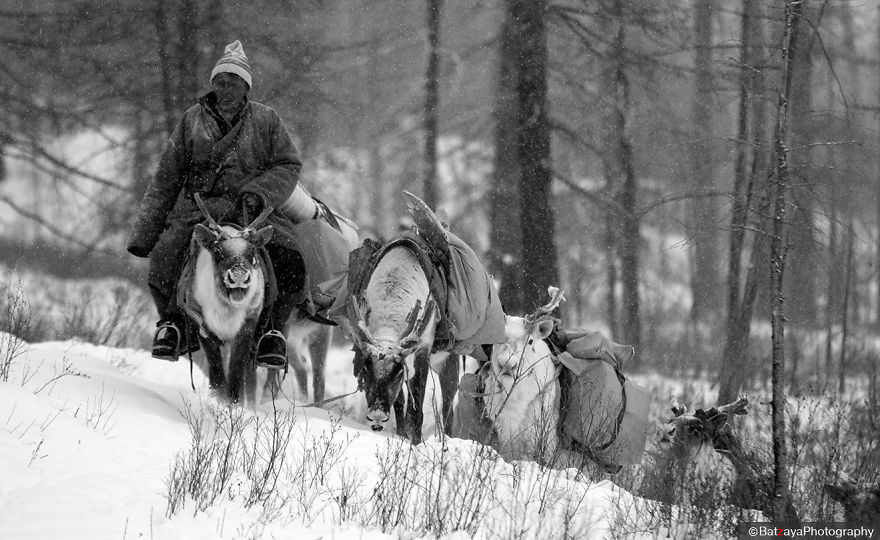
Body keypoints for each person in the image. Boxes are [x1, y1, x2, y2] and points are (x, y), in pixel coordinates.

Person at [126, 40, 305, 368]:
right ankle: (173, 324)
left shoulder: (267, 120)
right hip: (201, 212)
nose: (225, 89)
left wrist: (258, 192)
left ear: (246, 86)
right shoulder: (191, 120)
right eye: (220, 82)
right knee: (165, 256)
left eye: (233, 82)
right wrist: (145, 231)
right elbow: (166, 179)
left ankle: (273, 333)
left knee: (291, 259)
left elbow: (288, 165)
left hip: (254, 211)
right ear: (212, 85)